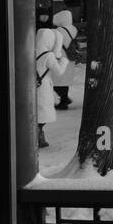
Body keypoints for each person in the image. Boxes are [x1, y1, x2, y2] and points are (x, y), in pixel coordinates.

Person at [35, 10, 69, 148]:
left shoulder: (32, 50)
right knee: (42, 114)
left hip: (33, 85)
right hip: (43, 87)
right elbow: (59, 71)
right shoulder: (48, 56)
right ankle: (38, 136)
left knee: (36, 112)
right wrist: (64, 61)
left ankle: (37, 135)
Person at [49, 10, 81, 109]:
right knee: (64, 81)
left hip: (60, 57)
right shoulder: (73, 29)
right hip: (70, 58)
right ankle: (64, 98)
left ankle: (63, 101)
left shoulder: (58, 31)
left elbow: (53, 44)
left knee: (57, 80)